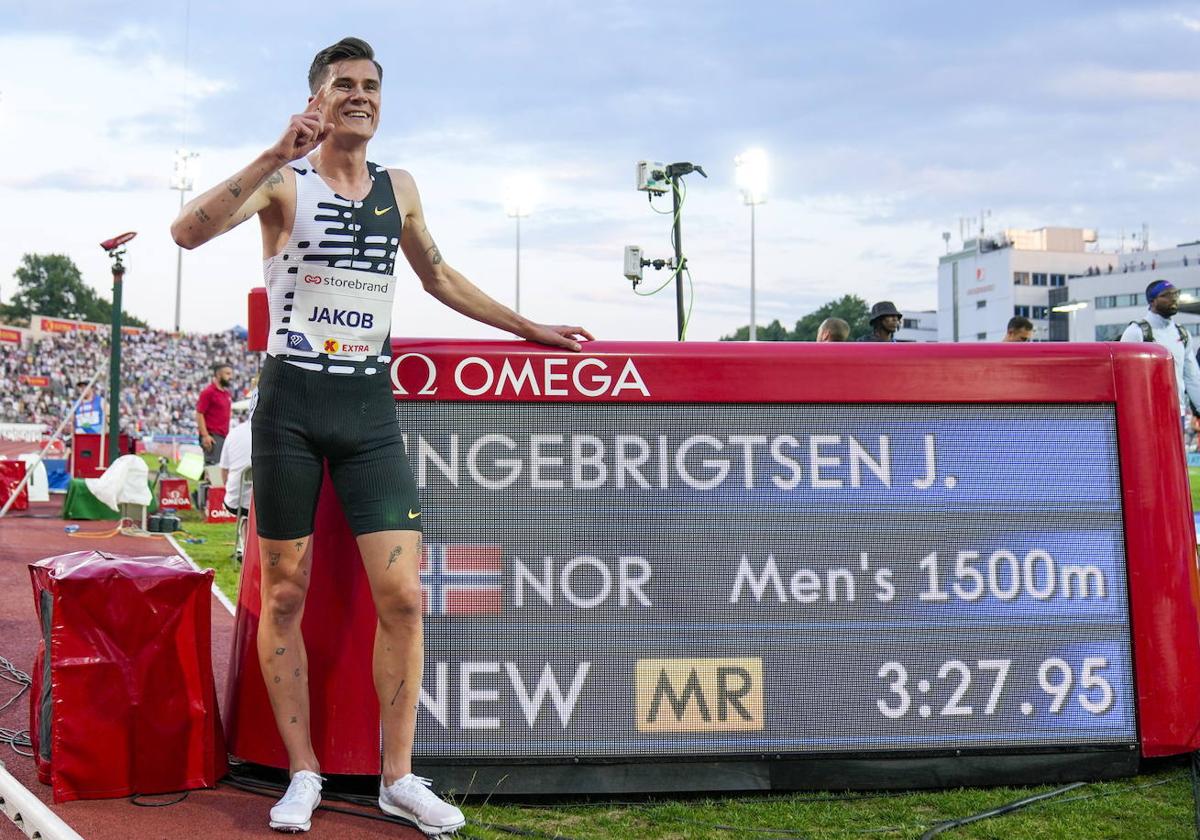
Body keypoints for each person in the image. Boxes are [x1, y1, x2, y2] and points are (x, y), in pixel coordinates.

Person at [170, 36, 591, 836]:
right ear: (316, 98)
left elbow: (439, 275)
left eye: (369, 86)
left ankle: (398, 776)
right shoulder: (283, 183)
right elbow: (187, 234)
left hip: (367, 412)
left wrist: (527, 326)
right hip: (289, 407)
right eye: (342, 85)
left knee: (402, 596)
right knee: (284, 593)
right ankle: (303, 772)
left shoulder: (399, 189)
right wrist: (270, 152)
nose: (358, 95)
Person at [1120, 280, 1200, 446]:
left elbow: (1192, 377)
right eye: (1166, 295)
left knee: (1173, 466)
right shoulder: (1136, 332)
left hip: (1176, 410)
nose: (1173, 299)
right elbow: (1122, 377)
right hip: (1145, 412)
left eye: (1175, 294)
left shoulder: (1182, 333)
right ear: (1152, 301)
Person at [196, 362, 233, 466]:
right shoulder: (208, 392)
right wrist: (205, 435)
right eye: (227, 374)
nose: (231, 377)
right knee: (213, 469)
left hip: (223, 436)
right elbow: (199, 414)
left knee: (221, 468)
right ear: (218, 375)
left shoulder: (226, 394)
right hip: (213, 436)